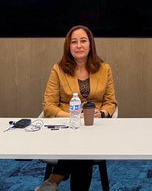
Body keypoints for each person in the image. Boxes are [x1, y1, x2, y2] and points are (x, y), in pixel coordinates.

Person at [36, 25, 117, 191]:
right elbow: (48, 106)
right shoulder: (58, 70)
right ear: (68, 46)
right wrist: (71, 117)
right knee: (83, 150)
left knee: (85, 146)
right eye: (74, 42)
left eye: (83, 41)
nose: (78, 45)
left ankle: (54, 179)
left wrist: (101, 113)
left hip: (96, 127)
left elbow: (111, 102)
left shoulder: (104, 69)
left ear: (90, 44)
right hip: (66, 129)